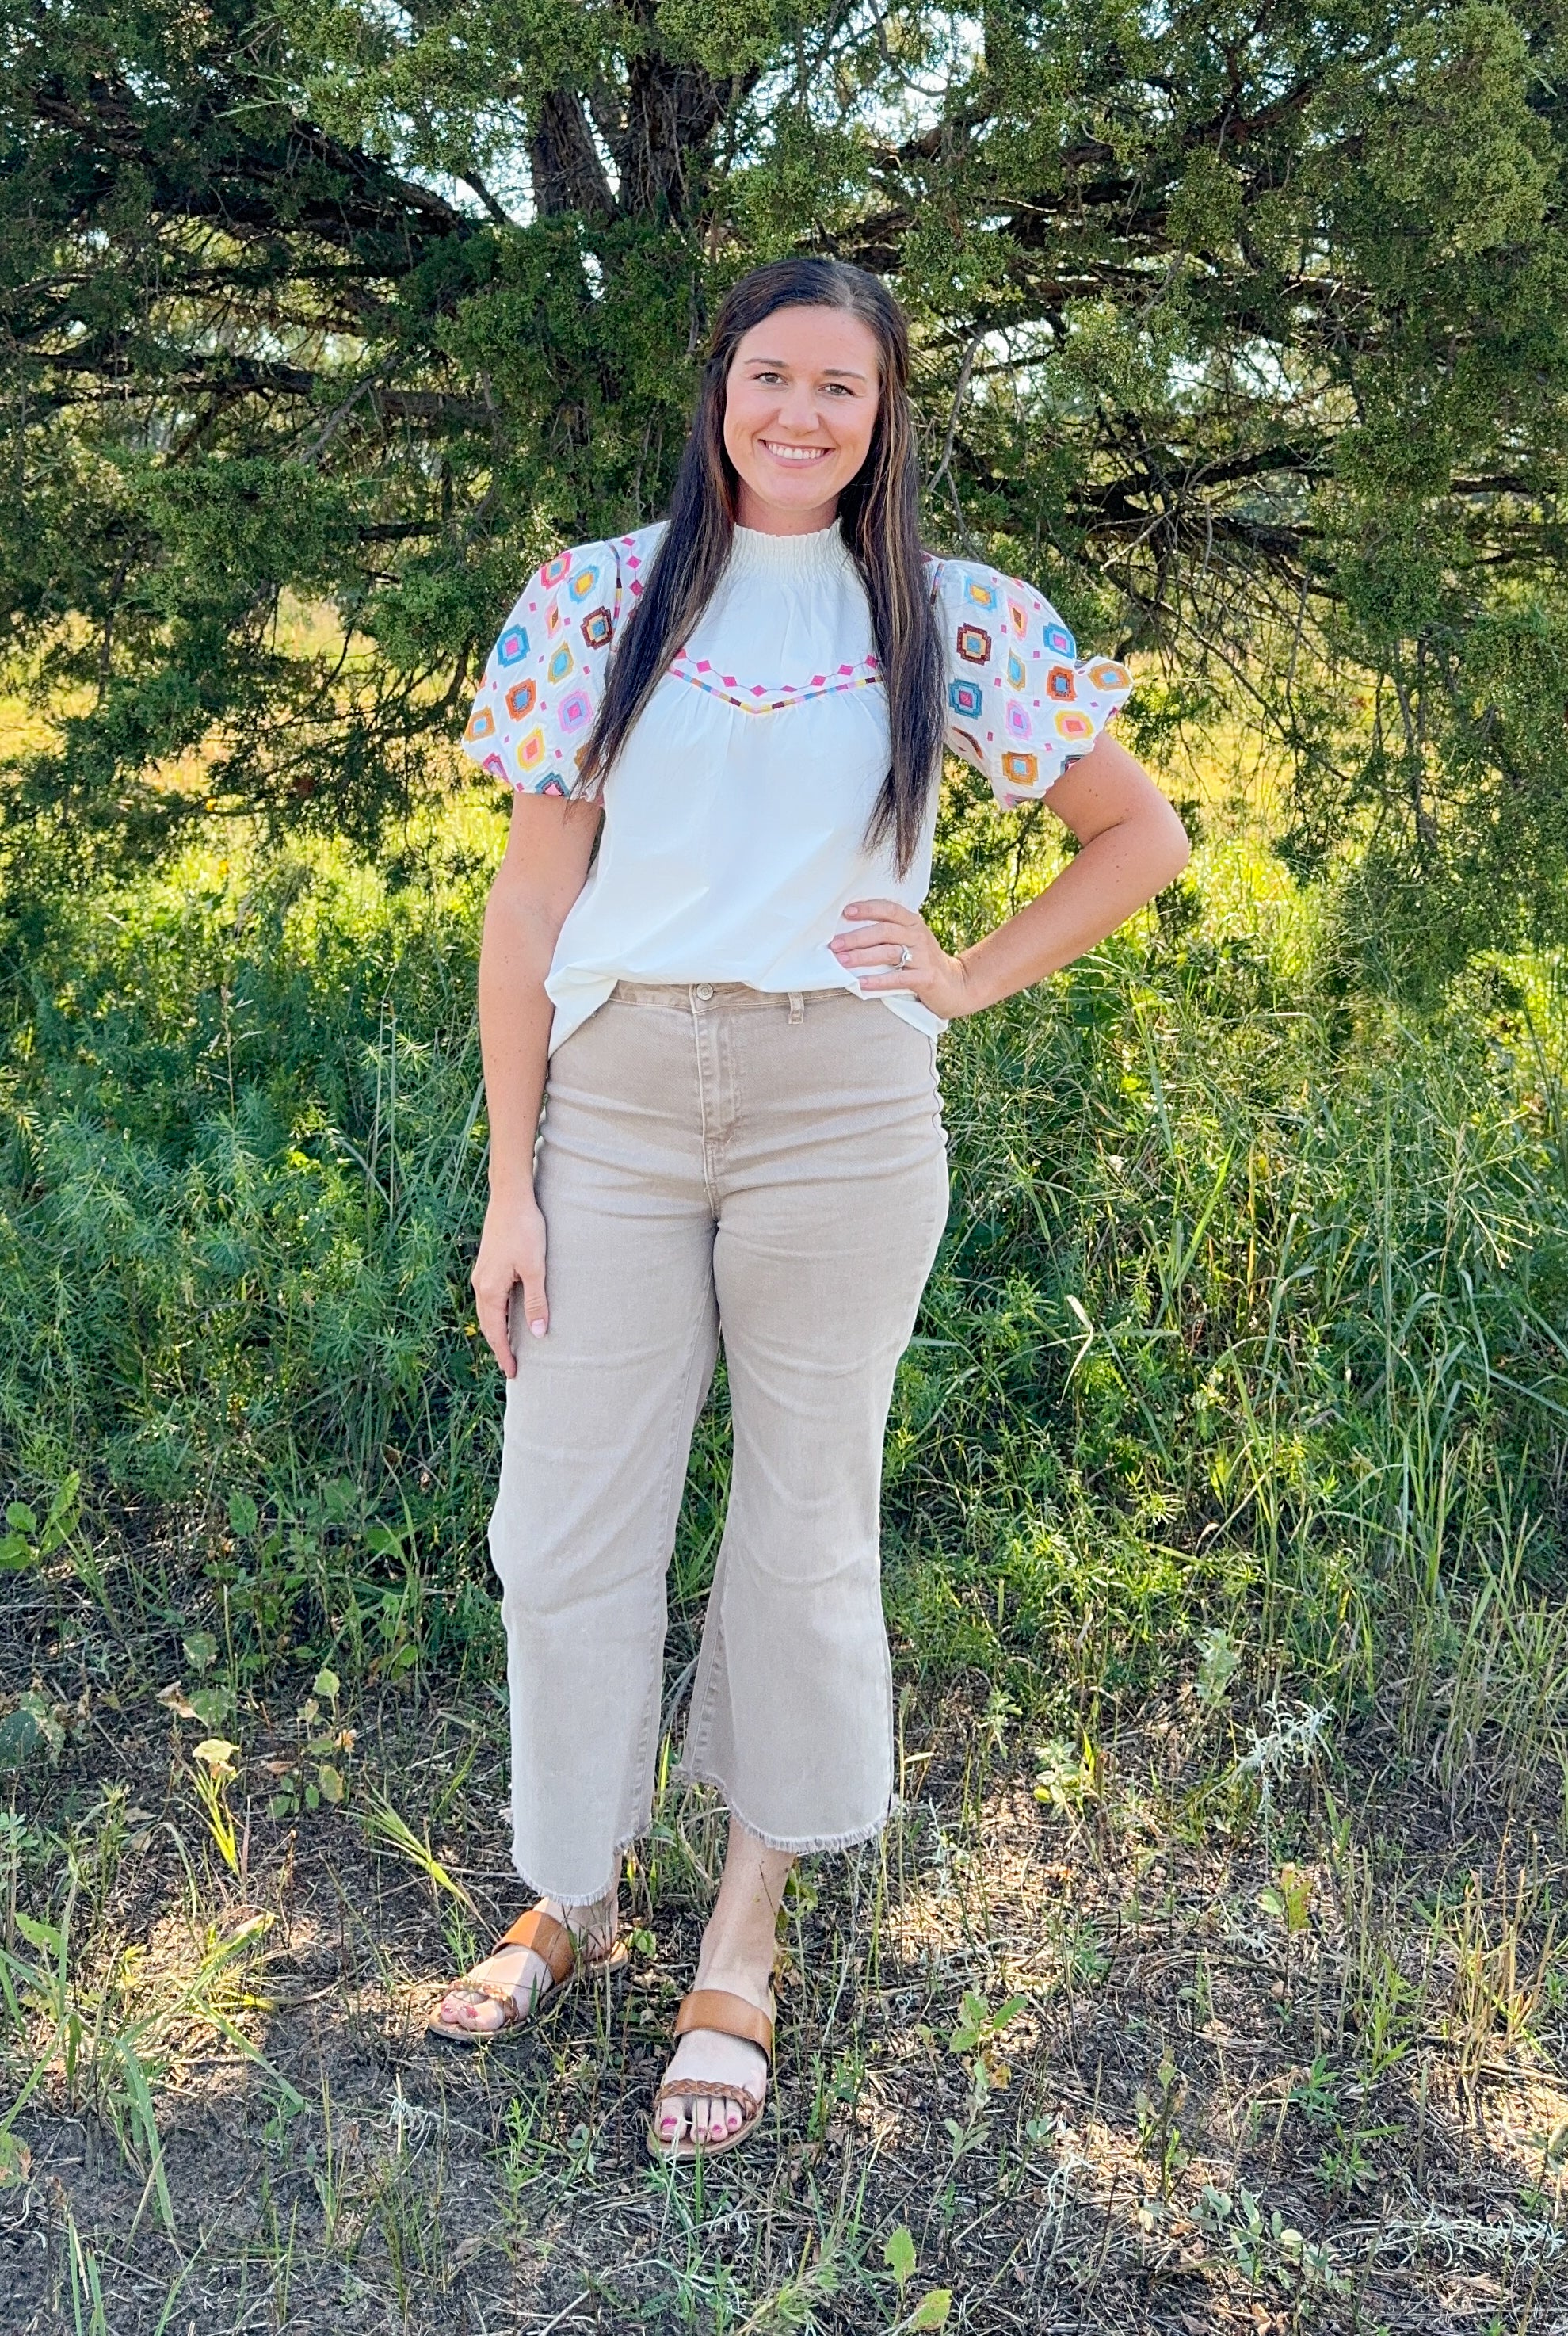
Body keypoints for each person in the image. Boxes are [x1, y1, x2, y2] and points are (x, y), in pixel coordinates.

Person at [427, 257, 1189, 2159]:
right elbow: (529, 909)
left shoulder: (956, 617)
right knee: (565, 1514)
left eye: (842, 388)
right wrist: (510, 1182)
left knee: (801, 1516)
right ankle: (579, 1898)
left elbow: (1142, 833)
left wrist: (967, 974)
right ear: (720, 391)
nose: (802, 415)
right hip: (612, 1098)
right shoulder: (599, 598)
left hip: (840, 1104)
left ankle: (738, 1952)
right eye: (773, 376)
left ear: (884, 414)